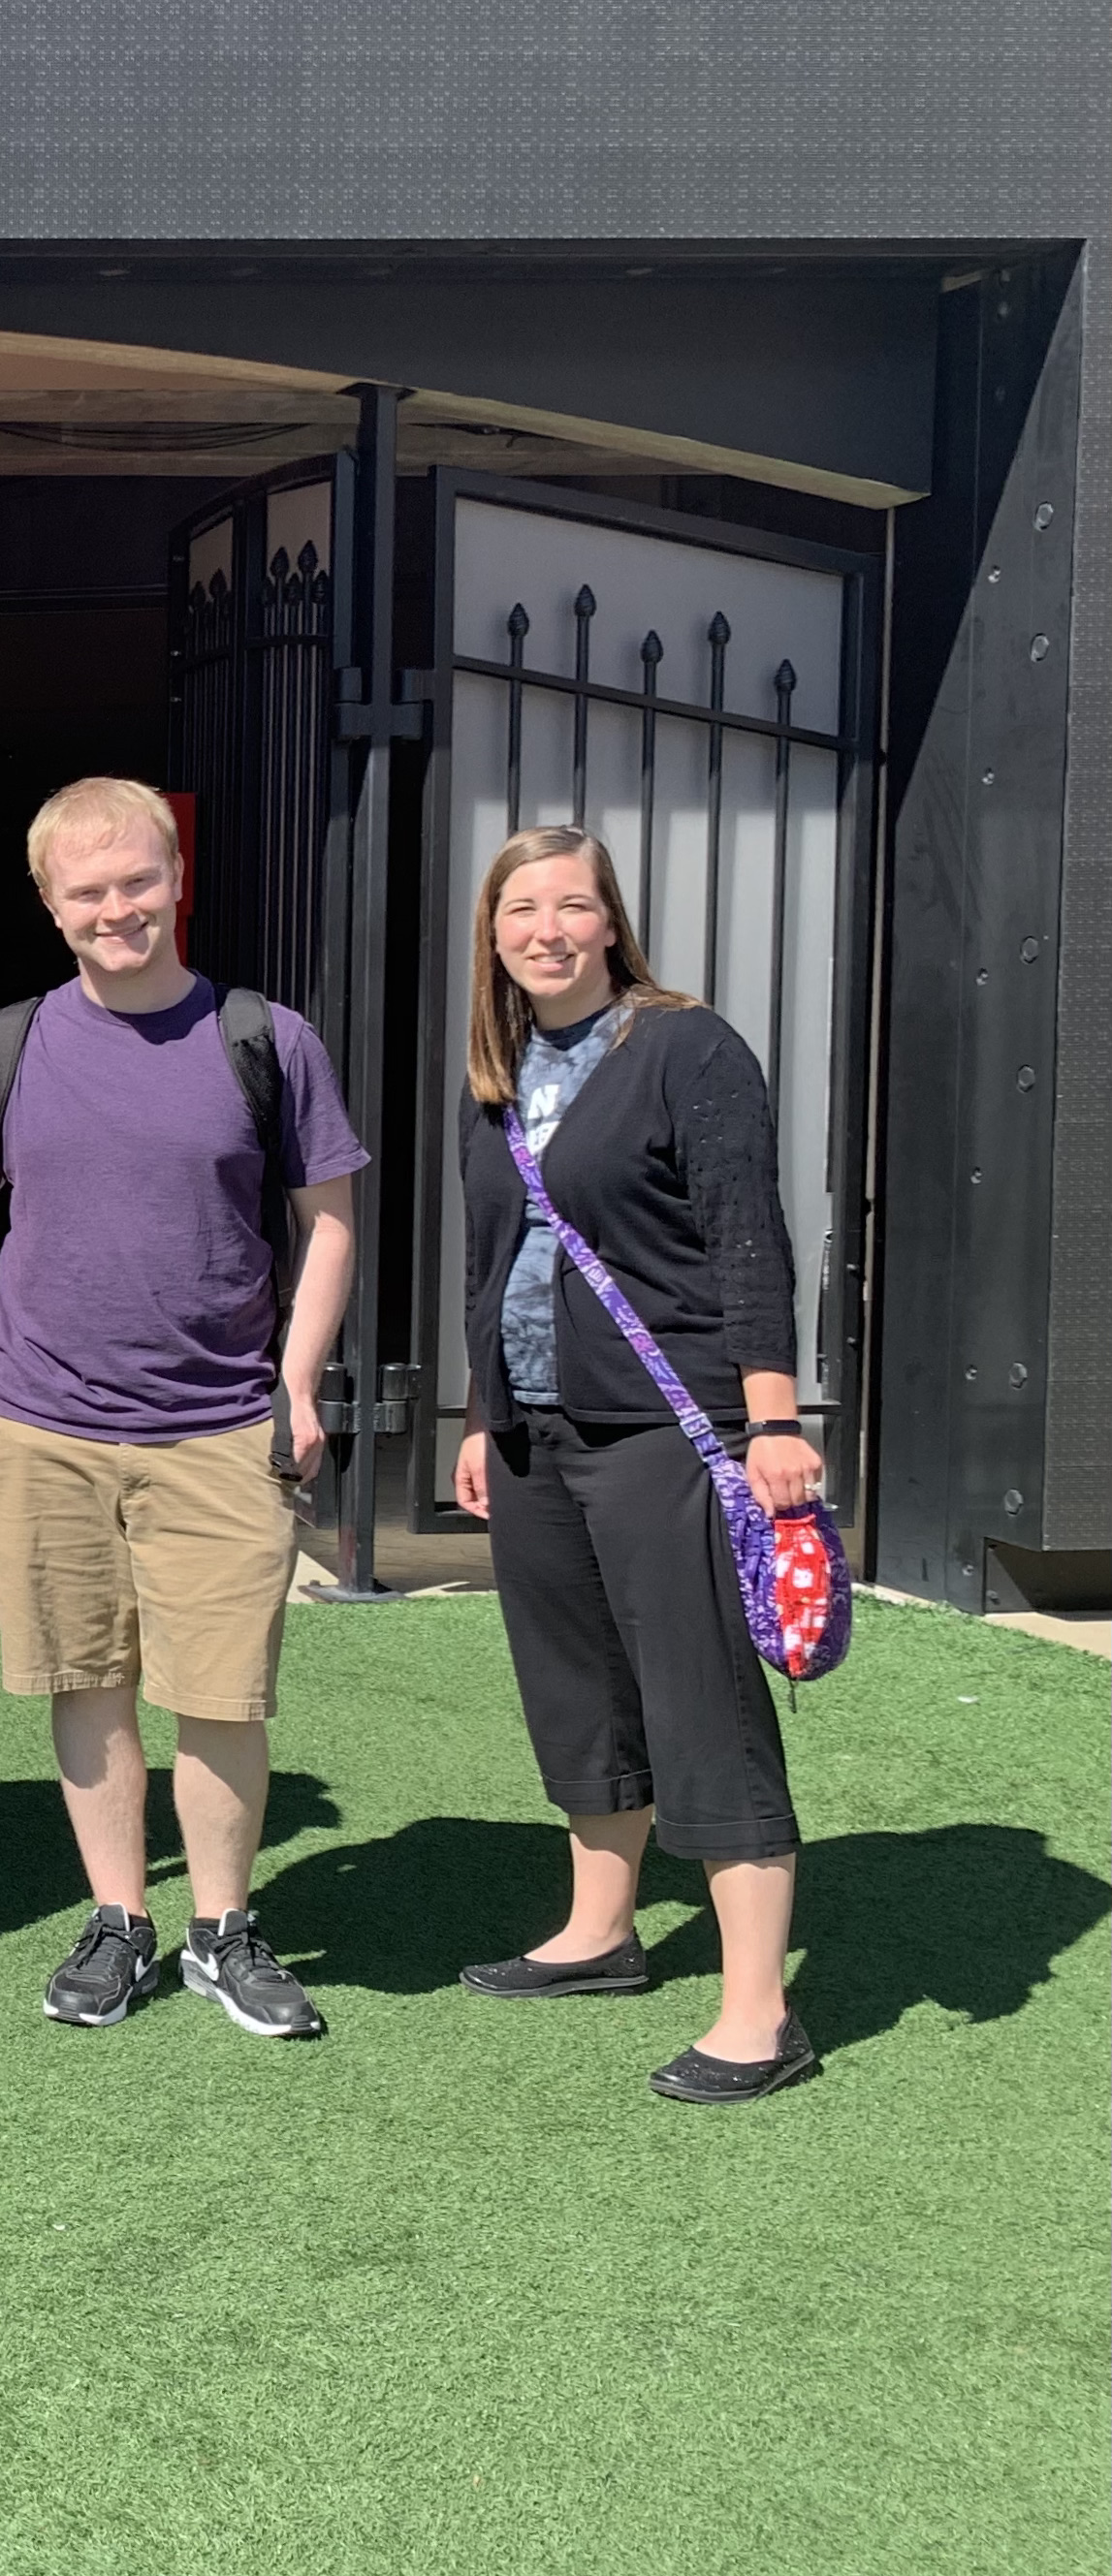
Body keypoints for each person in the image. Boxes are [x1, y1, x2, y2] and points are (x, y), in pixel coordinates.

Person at [0, 776, 363, 2040]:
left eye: (133, 882)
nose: (112, 908)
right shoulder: (7, 1042)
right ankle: (118, 1918)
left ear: (175, 880)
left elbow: (324, 1225)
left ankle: (219, 1930)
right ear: (50, 907)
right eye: (84, 891)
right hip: (40, 1423)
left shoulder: (262, 1038)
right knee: (86, 1679)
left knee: (222, 1694)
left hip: (218, 1425)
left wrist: (295, 1382)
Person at [451, 827, 822, 2102]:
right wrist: (476, 1411)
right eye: (517, 909)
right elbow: (491, 1259)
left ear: (609, 922)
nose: (543, 928)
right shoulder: (493, 1074)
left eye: (570, 905)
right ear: (489, 934)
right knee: (577, 1687)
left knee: (695, 1698)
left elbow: (742, 1239)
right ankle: (597, 1934)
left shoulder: (681, 1047)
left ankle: (757, 2012)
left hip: (668, 1428)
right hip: (531, 1435)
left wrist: (768, 1421)